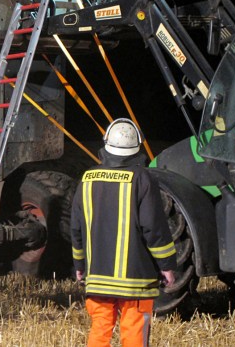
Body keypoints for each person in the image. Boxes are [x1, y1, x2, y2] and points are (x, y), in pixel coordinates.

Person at [70, 118, 177, 347]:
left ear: (106, 144)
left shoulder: (87, 179)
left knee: (99, 329)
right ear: (137, 147)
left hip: (97, 277)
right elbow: (154, 228)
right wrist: (167, 265)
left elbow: (76, 229)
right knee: (135, 332)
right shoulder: (143, 179)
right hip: (136, 281)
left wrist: (80, 267)